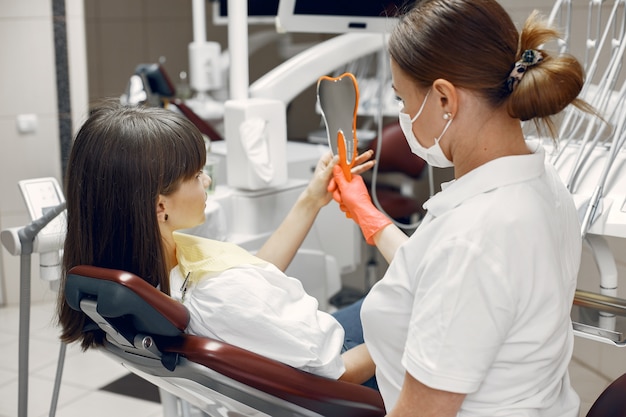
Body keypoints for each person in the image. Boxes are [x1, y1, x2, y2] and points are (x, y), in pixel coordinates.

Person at [329, 0, 596, 415]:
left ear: (443, 99)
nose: (402, 115)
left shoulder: (476, 236)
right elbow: (447, 279)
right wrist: (368, 214)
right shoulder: (540, 182)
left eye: (402, 101)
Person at [56, 99, 376, 385]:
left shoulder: (158, 270)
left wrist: (311, 199)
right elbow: (339, 375)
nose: (206, 180)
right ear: (160, 207)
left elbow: (253, 279)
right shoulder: (213, 294)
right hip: (348, 358)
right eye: (196, 175)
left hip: (314, 342)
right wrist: (413, 332)